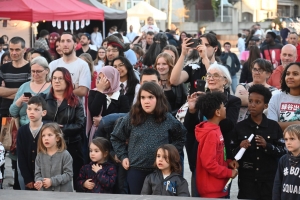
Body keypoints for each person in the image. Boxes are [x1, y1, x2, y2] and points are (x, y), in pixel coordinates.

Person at [111, 82, 186, 194]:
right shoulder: (132, 117)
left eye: (151, 97)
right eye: (143, 97)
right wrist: (123, 156)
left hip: (160, 171)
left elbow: (181, 136)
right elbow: (116, 137)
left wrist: (170, 155)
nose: (146, 101)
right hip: (136, 170)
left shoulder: (167, 118)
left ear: (159, 98)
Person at [184, 63, 240, 197]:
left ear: (225, 80)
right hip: (198, 153)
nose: (210, 78)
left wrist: (215, 108)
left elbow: (229, 126)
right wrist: (192, 110)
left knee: (220, 192)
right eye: (208, 75)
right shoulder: (200, 99)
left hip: (221, 156)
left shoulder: (232, 101)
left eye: (215, 75)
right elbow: (190, 127)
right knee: (199, 191)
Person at [231, 84, 285, 199]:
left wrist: (267, 146)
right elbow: (231, 154)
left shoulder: (274, 126)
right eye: (250, 101)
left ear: (265, 105)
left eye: (257, 102)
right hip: (247, 182)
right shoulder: (240, 127)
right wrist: (240, 147)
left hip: (269, 181)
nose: (252, 105)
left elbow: (283, 151)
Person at [41, 67, 85, 190]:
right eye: (54, 78)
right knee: (49, 181)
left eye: (60, 78)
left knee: (70, 180)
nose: (57, 81)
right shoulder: (44, 98)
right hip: (48, 146)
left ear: (67, 81)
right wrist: (52, 128)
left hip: (71, 145)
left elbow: (80, 124)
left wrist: (63, 129)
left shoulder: (76, 101)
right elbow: (37, 119)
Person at [0, 37, 31, 189]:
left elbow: (30, 93)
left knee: (19, 149)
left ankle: (17, 182)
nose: (13, 52)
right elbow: (0, 91)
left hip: (24, 115)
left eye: (17, 49)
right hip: (5, 114)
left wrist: (8, 92)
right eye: (11, 49)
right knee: (3, 147)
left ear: (24, 50)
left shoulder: (30, 68)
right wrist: (20, 91)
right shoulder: (4, 68)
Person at [195, 92, 238, 198]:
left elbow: (217, 157)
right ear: (218, 112)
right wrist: (228, 173)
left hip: (217, 188)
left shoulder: (215, 129)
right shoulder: (211, 134)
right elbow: (209, 163)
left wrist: (228, 162)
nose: (225, 108)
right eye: (224, 106)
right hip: (212, 191)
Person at [87, 66, 130, 141]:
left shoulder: (122, 98)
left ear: (113, 79)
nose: (101, 81)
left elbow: (123, 119)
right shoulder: (94, 93)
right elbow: (94, 112)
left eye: (105, 78)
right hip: (96, 136)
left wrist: (103, 120)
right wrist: (100, 91)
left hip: (114, 137)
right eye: (99, 78)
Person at [49, 32, 91, 104]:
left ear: (75, 45)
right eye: (62, 41)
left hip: (75, 110)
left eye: (68, 41)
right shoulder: (53, 65)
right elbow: (49, 87)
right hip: (55, 110)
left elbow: (83, 91)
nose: (65, 44)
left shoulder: (83, 65)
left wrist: (60, 93)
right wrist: (74, 86)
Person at [9, 56, 51, 126]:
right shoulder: (24, 86)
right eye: (33, 71)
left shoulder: (52, 87)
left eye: (38, 71)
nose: (35, 74)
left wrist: (36, 101)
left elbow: (53, 112)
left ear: (47, 71)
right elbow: (12, 112)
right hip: (23, 127)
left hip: (44, 127)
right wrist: (20, 101)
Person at [17, 96, 47, 190]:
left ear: (44, 112)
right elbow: (20, 155)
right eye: (29, 109)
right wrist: (27, 178)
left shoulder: (47, 130)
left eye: (36, 109)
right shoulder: (22, 131)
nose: (32, 112)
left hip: (44, 177)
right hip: (27, 174)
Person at [34, 123, 73, 192]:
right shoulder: (40, 156)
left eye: (49, 135)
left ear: (57, 138)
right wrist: (39, 181)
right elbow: (37, 174)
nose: (46, 138)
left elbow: (68, 174)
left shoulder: (65, 155)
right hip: (45, 194)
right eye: (43, 136)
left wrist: (52, 181)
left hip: (62, 194)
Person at [268, 62, 300, 131]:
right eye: (287, 74)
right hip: (279, 140)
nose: (290, 77)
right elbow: (271, 125)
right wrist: (297, 124)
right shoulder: (276, 98)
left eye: (295, 74)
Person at [273, 124, 300, 200]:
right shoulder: (283, 159)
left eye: (292, 139)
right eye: (286, 139)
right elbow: (277, 184)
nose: (288, 142)